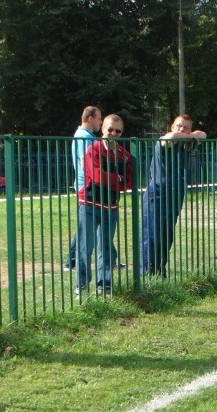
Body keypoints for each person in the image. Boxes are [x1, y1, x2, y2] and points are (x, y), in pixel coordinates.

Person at [141, 114, 207, 276]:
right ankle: (147, 270)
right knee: (152, 234)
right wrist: (187, 137)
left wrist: (190, 137)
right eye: (178, 125)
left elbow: (203, 134)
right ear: (172, 126)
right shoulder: (166, 141)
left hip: (175, 195)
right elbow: (171, 137)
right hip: (156, 194)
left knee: (167, 234)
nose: (181, 129)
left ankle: (159, 269)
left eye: (185, 127)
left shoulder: (186, 143)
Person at [76, 115, 132, 294]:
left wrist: (116, 180)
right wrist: (118, 178)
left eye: (118, 131)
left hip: (111, 206)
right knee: (87, 244)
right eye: (110, 129)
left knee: (106, 246)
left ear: (122, 133)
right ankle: (82, 285)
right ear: (103, 129)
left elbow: (129, 182)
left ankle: (105, 285)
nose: (113, 133)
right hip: (90, 203)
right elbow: (98, 177)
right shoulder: (93, 150)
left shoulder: (124, 155)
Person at [66, 106, 102, 271]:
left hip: (85, 184)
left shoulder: (83, 135)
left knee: (90, 222)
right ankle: (72, 260)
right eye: (99, 118)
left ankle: (72, 260)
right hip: (87, 185)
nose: (101, 122)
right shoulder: (84, 137)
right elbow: (84, 161)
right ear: (90, 118)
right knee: (87, 224)